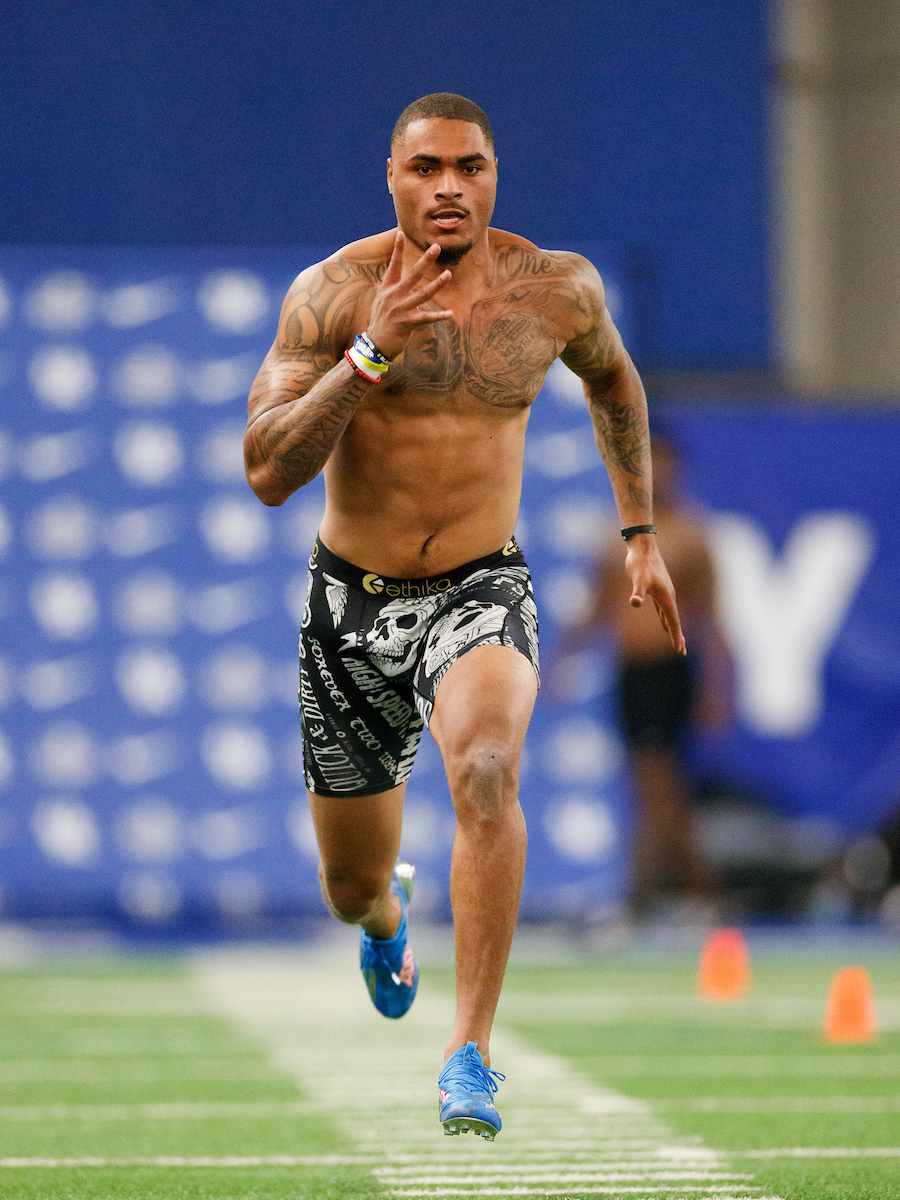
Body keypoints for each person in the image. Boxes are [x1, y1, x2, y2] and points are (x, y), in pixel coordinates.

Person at [243, 92, 684, 1139]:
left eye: (471, 168)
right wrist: (369, 356)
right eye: (427, 168)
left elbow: (615, 384)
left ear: (496, 176)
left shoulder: (555, 291)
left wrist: (639, 533)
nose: (450, 188)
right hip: (352, 606)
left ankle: (469, 1052)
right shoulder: (332, 295)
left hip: (481, 585)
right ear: (390, 178)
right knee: (349, 882)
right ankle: (386, 921)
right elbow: (266, 470)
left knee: (487, 768)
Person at [567, 435, 730, 920]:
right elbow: (598, 607)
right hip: (629, 672)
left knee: (658, 779)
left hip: (670, 669)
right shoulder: (614, 533)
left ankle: (679, 888)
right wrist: (555, 660)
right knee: (647, 783)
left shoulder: (692, 534)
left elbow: (711, 618)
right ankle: (666, 890)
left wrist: (717, 689)